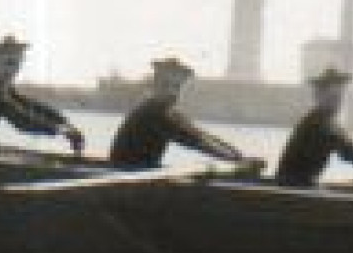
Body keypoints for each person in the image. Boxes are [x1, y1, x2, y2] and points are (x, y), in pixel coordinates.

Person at [108, 57, 263, 171]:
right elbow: (195, 142)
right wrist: (237, 161)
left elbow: (203, 136)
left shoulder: (169, 112)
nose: (174, 93)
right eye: (167, 86)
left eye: (178, 87)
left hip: (141, 174)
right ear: (155, 85)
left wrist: (239, 156)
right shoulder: (153, 112)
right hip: (126, 176)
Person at [0, 35, 86, 154]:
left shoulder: (1, 86)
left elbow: (30, 106)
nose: (13, 70)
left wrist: (65, 123)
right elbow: (20, 120)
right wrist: (60, 130)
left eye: (17, 64)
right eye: (9, 63)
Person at [275, 68, 353, 187]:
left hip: (301, 187)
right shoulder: (318, 122)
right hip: (293, 191)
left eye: (339, 98)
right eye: (333, 97)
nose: (337, 103)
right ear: (319, 96)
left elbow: (348, 147)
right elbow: (349, 150)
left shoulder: (322, 120)